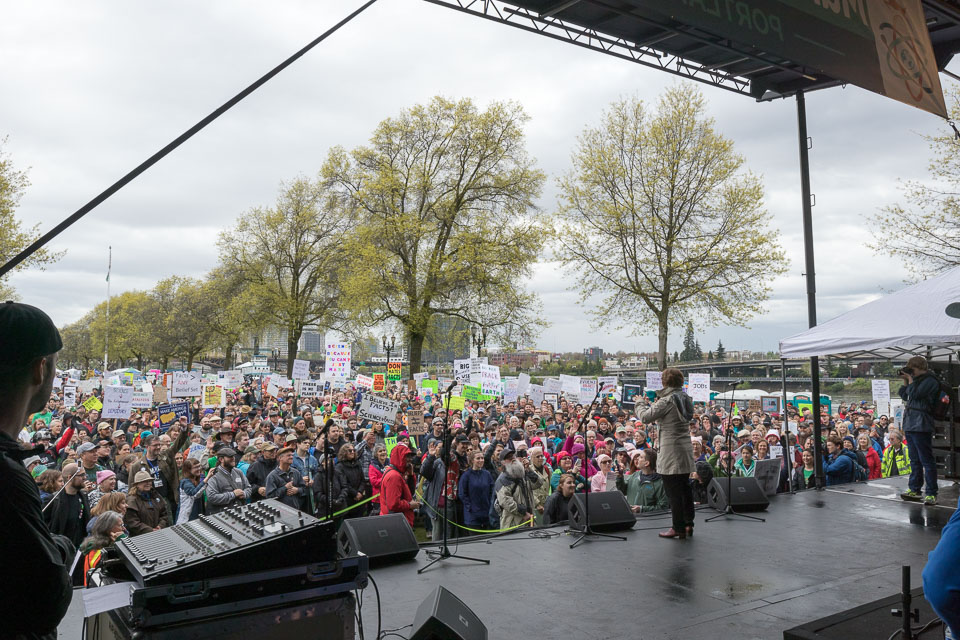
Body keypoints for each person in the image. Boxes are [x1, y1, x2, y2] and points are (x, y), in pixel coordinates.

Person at [639, 368, 695, 540]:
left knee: (673, 491)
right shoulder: (686, 398)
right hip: (685, 448)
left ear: (665, 382)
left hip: (671, 450)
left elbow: (645, 417)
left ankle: (677, 528)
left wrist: (639, 403)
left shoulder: (667, 400)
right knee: (685, 488)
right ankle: (688, 524)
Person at [897, 356, 941, 504]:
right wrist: (906, 380)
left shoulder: (930, 381)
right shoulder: (915, 380)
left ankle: (931, 493)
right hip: (910, 423)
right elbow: (905, 395)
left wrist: (910, 379)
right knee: (914, 460)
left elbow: (915, 394)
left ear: (921, 368)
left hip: (922, 423)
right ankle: (915, 489)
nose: (912, 372)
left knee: (926, 460)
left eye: (913, 370)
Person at [129, 427, 190, 518]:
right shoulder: (137, 466)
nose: (158, 447)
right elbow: (131, 488)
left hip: (169, 500)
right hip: (149, 503)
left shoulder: (166, 456)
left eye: (159, 445)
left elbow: (178, 444)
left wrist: (184, 429)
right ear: (147, 446)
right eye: (155, 445)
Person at [44, 463, 91, 552]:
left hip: (81, 549)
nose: (85, 477)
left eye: (85, 474)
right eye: (81, 475)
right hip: (61, 549)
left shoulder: (83, 497)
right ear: (70, 477)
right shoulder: (53, 500)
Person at [493, 448, 540, 529]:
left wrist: (528, 469)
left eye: (513, 456)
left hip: (529, 521)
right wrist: (524, 512)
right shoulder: (502, 480)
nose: (512, 459)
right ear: (503, 462)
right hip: (513, 524)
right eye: (509, 458)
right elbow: (506, 501)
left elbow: (538, 483)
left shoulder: (523, 473)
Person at [78, 510, 126, 587]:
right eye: (121, 525)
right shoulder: (100, 550)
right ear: (109, 529)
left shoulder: (94, 544)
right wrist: (122, 541)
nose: (124, 529)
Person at [379, 443, 420, 526]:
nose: (410, 459)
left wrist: (411, 475)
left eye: (410, 457)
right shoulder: (394, 476)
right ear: (399, 457)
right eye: (406, 456)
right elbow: (393, 504)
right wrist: (410, 505)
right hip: (395, 523)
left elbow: (409, 493)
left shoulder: (396, 473)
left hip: (396, 520)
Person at [616, 448, 668, 513]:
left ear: (646, 463)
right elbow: (623, 491)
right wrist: (620, 477)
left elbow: (663, 507)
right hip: (631, 517)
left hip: (647, 518)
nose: (637, 458)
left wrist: (641, 509)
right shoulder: (634, 475)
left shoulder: (660, 483)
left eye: (640, 457)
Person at [206, 447, 252, 515]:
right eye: (230, 457)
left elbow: (248, 487)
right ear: (221, 459)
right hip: (222, 514)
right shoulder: (213, 475)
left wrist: (244, 494)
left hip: (239, 512)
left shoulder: (238, 472)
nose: (233, 458)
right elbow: (211, 497)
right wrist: (233, 494)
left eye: (233, 456)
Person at [125, 470, 171, 535]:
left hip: (160, 534)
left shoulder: (156, 496)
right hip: (141, 538)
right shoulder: (132, 501)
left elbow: (164, 514)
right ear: (137, 484)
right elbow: (132, 522)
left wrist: (160, 526)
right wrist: (150, 530)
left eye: (149, 481)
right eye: (144, 481)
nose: (148, 483)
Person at [458, 450, 495, 530]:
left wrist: (490, 505)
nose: (481, 460)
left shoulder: (487, 474)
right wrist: (470, 507)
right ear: (472, 460)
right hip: (472, 515)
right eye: (478, 458)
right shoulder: (466, 475)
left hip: (486, 513)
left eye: (482, 458)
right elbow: (462, 493)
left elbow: (492, 490)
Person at [176, 457, 206, 524]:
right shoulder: (185, 482)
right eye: (196, 467)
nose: (199, 469)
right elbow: (194, 493)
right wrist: (206, 479)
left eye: (199, 466)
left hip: (198, 514)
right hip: (186, 518)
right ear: (188, 470)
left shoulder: (197, 480)